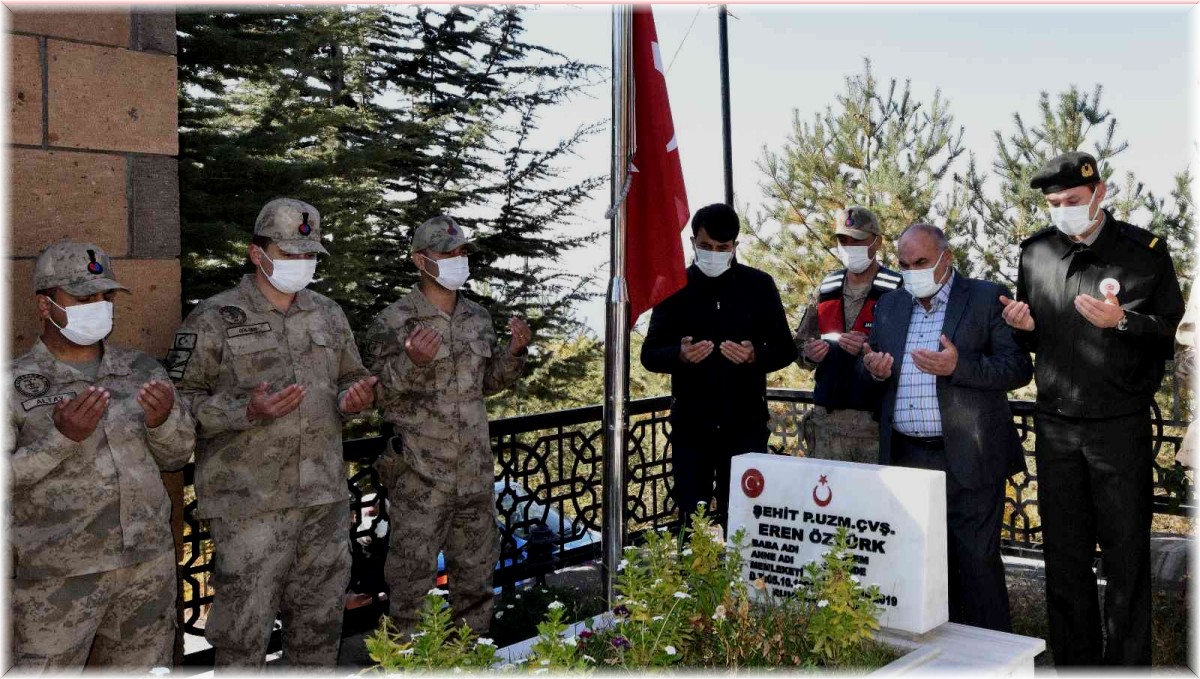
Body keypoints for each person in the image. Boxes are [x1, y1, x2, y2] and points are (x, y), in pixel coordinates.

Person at [171, 198, 377, 669]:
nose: (301, 264)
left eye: (308, 255)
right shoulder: (213, 319)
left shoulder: (329, 314)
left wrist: (354, 399)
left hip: (323, 502)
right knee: (244, 637)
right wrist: (246, 409)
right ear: (256, 254)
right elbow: (178, 405)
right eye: (289, 253)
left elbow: (352, 377)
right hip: (250, 508)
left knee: (319, 630)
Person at [999, 151, 1185, 665]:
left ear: (1099, 193)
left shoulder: (1143, 252)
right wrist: (1025, 326)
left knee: (1126, 558)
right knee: (1064, 558)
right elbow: (1040, 339)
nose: (1063, 210)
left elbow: (1169, 333)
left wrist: (1120, 321)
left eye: (1073, 201)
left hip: (1119, 427)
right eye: (1054, 203)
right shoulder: (1035, 253)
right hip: (1056, 426)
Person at [8, 242, 195, 670]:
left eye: (104, 296)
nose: (99, 306)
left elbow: (178, 456)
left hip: (146, 566)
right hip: (58, 577)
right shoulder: (14, 384)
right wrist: (61, 439)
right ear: (45, 304)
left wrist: (162, 421)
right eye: (83, 297)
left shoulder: (142, 370)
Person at [363, 215, 531, 635]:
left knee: (476, 586)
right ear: (421, 261)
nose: (458, 260)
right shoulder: (394, 321)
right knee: (410, 593)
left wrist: (513, 353)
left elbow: (486, 382)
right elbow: (373, 394)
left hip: (473, 476)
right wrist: (411, 363)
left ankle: (469, 660)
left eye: (461, 252)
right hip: (420, 478)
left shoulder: (476, 316)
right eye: (446, 253)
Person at [861, 224, 1031, 632]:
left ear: (946, 258)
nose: (911, 271)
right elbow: (874, 373)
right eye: (903, 264)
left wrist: (960, 366)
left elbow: (1019, 368)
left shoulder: (986, 297)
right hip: (906, 458)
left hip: (968, 456)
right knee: (917, 564)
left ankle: (992, 660)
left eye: (920, 262)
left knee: (976, 566)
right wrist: (874, 370)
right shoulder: (890, 305)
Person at [641, 203, 798, 531]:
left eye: (722, 248)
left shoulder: (759, 285)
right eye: (706, 247)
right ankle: (691, 583)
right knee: (690, 523)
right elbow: (649, 353)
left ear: (735, 247)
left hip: (745, 426)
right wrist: (679, 355)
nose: (714, 254)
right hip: (691, 429)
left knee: (743, 520)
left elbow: (786, 349)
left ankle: (743, 584)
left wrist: (755, 355)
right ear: (693, 243)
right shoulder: (674, 287)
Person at [792, 206, 902, 462]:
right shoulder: (826, 287)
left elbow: (912, 350)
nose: (849, 246)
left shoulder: (899, 289)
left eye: (858, 240)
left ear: (877, 242)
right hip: (826, 426)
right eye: (843, 240)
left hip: (876, 427)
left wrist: (872, 349)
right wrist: (808, 354)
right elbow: (798, 347)